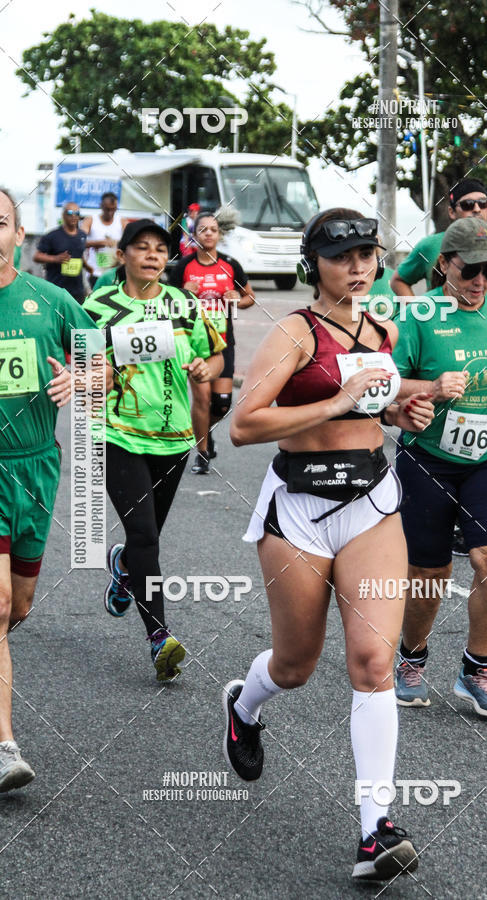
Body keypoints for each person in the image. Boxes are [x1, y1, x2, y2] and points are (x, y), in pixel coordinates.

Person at [226, 208, 435, 880]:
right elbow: (245, 425)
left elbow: (379, 406)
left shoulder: (382, 327)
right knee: (295, 664)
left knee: (374, 660)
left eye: (367, 254)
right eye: (342, 255)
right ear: (314, 262)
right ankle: (244, 704)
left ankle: (376, 830)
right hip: (300, 510)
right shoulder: (294, 332)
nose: (358, 267)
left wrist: (406, 409)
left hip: (371, 504)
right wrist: (337, 401)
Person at [392, 217, 487, 718]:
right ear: (443, 264)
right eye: (469, 270)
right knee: (430, 573)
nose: (480, 282)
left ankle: (476, 669)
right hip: (428, 457)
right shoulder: (420, 313)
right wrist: (428, 388)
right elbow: (391, 385)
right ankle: (411, 659)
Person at [0, 187, 111, 791]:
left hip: (37, 466)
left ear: (20, 236)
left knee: (18, 607)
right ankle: (3, 746)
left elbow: (101, 365)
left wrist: (81, 377)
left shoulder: (52, 300)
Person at [84, 219, 225, 681]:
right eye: (140, 248)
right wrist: (95, 372)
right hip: (117, 434)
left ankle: (124, 564)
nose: (151, 255)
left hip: (172, 437)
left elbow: (217, 354)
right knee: (144, 534)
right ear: (121, 256)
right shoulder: (98, 306)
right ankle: (159, 637)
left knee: (148, 539)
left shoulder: (184, 303)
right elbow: (79, 365)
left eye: (160, 249)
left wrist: (207, 367)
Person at [170, 211, 254, 474]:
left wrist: (235, 300)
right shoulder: (184, 266)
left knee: (221, 403)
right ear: (194, 235)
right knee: (203, 399)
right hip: (195, 342)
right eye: (203, 229)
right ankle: (203, 453)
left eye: (213, 230)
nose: (208, 233)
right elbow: (167, 302)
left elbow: (250, 297)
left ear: (219, 235)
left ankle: (204, 431)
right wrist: (184, 293)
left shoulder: (230, 265)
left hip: (223, 341)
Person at [391, 178, 487, 305]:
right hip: (445, 329)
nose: (476, 209)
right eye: (468, 204)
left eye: (483, 203)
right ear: (451, 212)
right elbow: (399, 280)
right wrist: (418, 312)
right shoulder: (429, 246)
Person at [33, 202, 90, 303]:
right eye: (70, 213)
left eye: (76, 213)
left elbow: (79, 255)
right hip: (56, 289)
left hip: (77, 291)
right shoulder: (52, 236)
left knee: (75, 318)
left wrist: (88, 266)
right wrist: (55, 259)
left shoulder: (82, 235)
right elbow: (37, 256)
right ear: (63, 215)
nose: (73, 216)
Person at [82, 192, 124, 289]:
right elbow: (79, 241)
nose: (110, 213)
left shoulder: (121, 221)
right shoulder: (91, 220)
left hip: (115, 272)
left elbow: (130, 242)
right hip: (95, 272)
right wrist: (101, 243)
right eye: (107, 209)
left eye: (113, 209)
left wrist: (115, 243)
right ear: (101, 206)